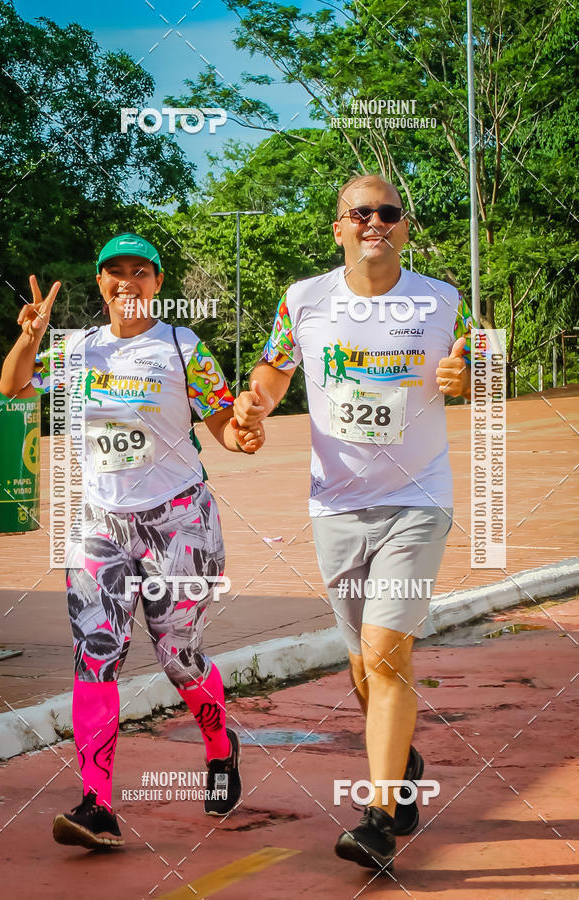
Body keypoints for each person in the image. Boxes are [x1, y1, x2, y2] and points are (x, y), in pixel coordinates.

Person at [234, 175, 475, 874]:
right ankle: (399, 762)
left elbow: (474, 368)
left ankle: (376, 819)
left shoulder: (441, 299)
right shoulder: (304, 299)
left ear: (404, 227)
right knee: (363, 668)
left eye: (388, 213)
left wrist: (470, 379)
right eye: (360, 213)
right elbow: (275, 371)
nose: (375, 221)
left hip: (418, 500)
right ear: (337, 227)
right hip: (334, 505)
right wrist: (254, 405)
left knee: (386, 654)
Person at [0, 232, 264, 850]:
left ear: (157, 282)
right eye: (113, 272)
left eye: (139, 272)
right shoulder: (75, 351)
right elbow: (13, 387)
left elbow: (223, 423)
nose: (127, 282)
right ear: (99, 283)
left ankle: (221, 749)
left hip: (178, 522)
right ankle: (97, 804)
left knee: (179, 657)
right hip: (101, 526)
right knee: (96, 654)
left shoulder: (182, 346)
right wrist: (31, 336)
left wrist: (242, 436)